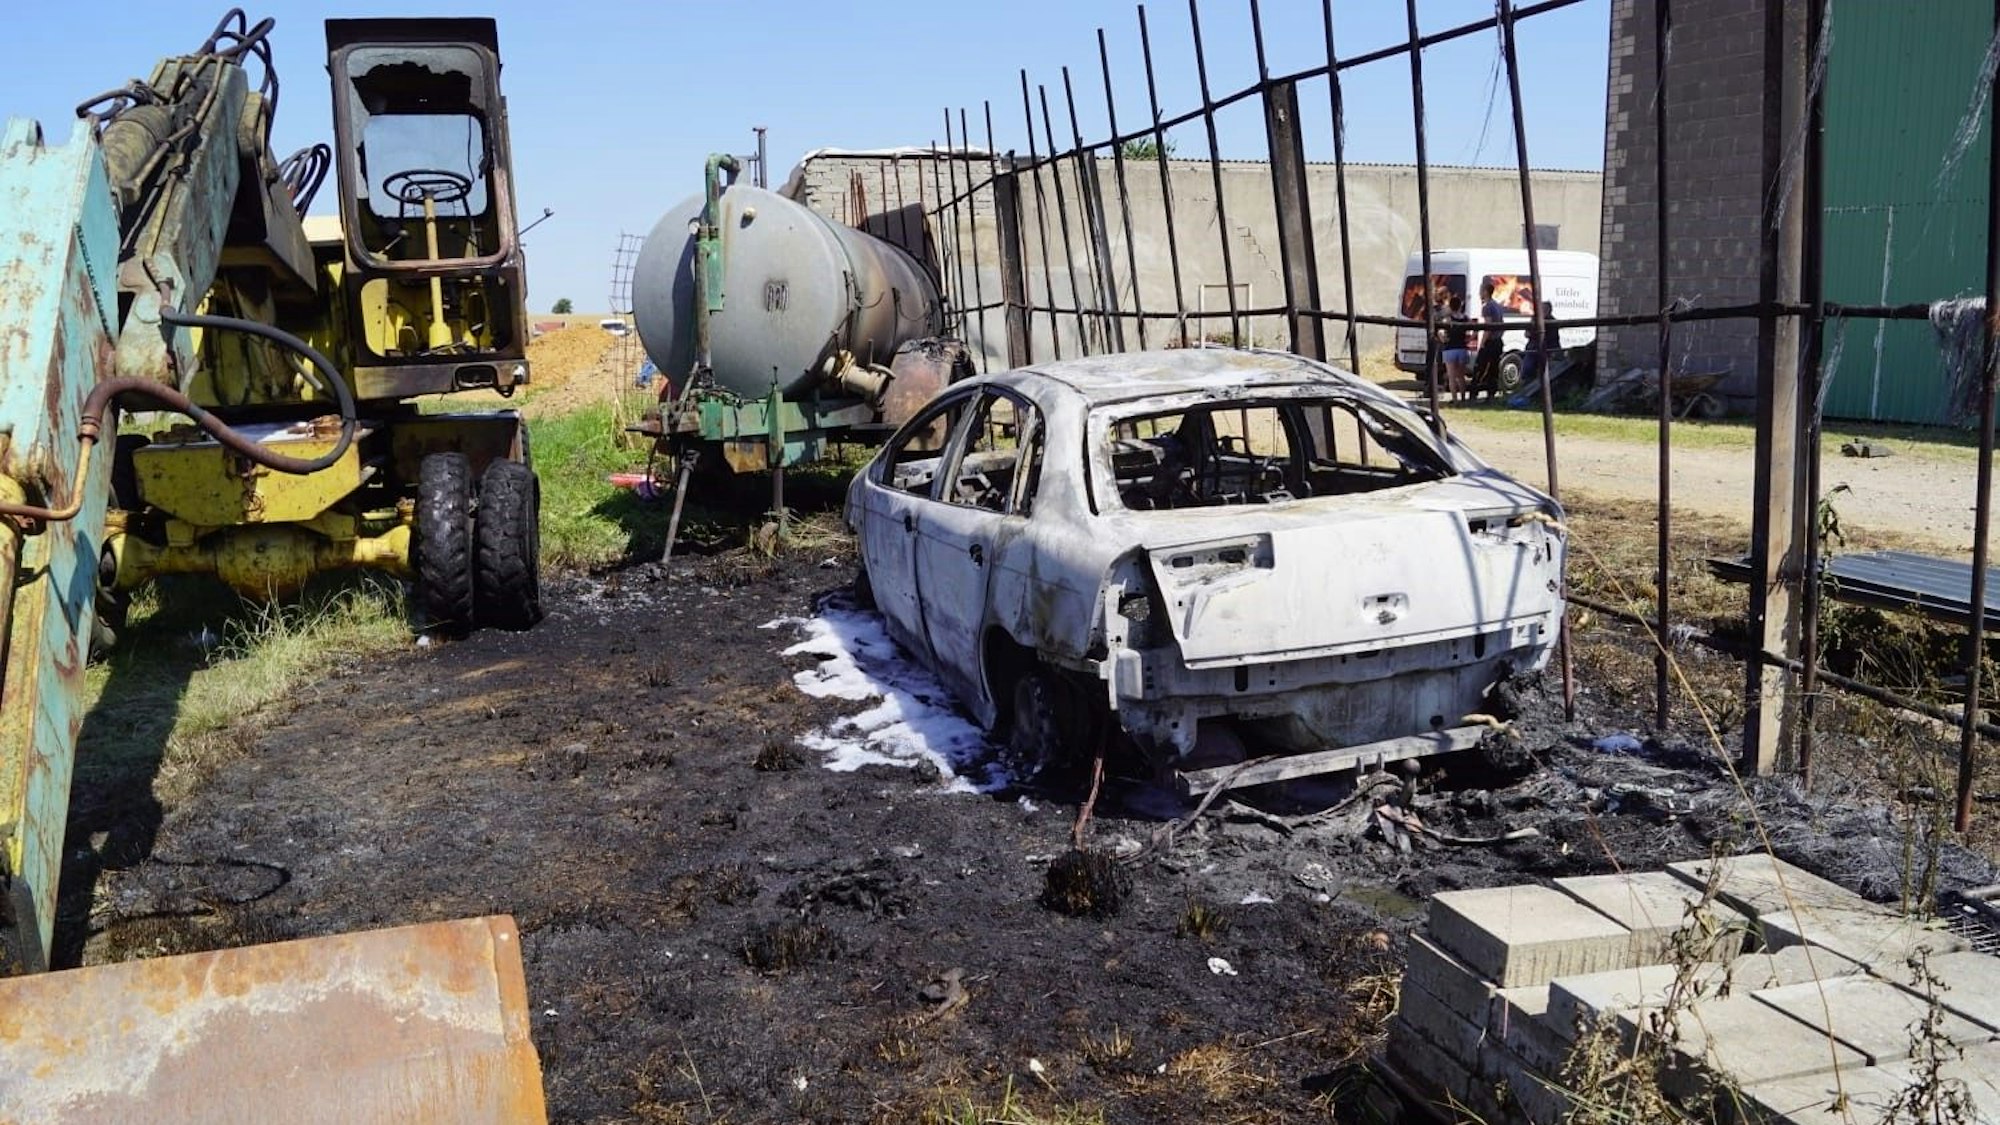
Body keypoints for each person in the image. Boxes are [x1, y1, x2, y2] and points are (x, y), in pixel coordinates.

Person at [1470, 279, 1507, 400]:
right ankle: (1491, 393)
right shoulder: (1498, 305)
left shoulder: (1487, 307)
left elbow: (1488, 327)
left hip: (1490, 342)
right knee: (1494, 368)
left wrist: (1482, 343)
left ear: (1485, 292)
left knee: (1479, 367)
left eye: (1481, 291)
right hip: (1498, 341)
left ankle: (1474, 393)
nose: (1479, 293)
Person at [1436, 294, 1472, 400]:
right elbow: (1475, 327)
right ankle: (1463, 398)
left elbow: (1440, 331)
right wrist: (1470, 339)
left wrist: (1443, 339)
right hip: (1462, 348)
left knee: (1451, 377)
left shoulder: (1448, 319)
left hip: (1450, 349)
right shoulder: (1465, 318)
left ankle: (1454, 399)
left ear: (1450, 307)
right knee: (1461, 376)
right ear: (1460, 306)